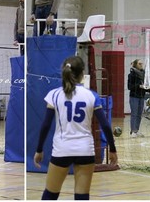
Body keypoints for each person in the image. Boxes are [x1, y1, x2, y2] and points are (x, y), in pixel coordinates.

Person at [35, 56, 117, 200]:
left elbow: (46, 125)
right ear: (82, 74)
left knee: (50, 194)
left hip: (62, 149)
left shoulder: (54, 94)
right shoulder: (91, 95)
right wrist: (113, 149)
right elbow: (104, 124)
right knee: (82, 196)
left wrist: (39, 149)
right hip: (85, 150)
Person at [127, 59, 149, 137]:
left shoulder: (144, 74)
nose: (141, 65)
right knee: (134, 113)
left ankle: (136, 130)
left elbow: (145, 86)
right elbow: (129, 87)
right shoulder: (131, 75)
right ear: (135, 65)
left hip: (141, 96)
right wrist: (139, 86)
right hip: (134, 96)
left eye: (141, 64)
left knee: (139, 114)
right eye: (139, 64)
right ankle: (133, 131)